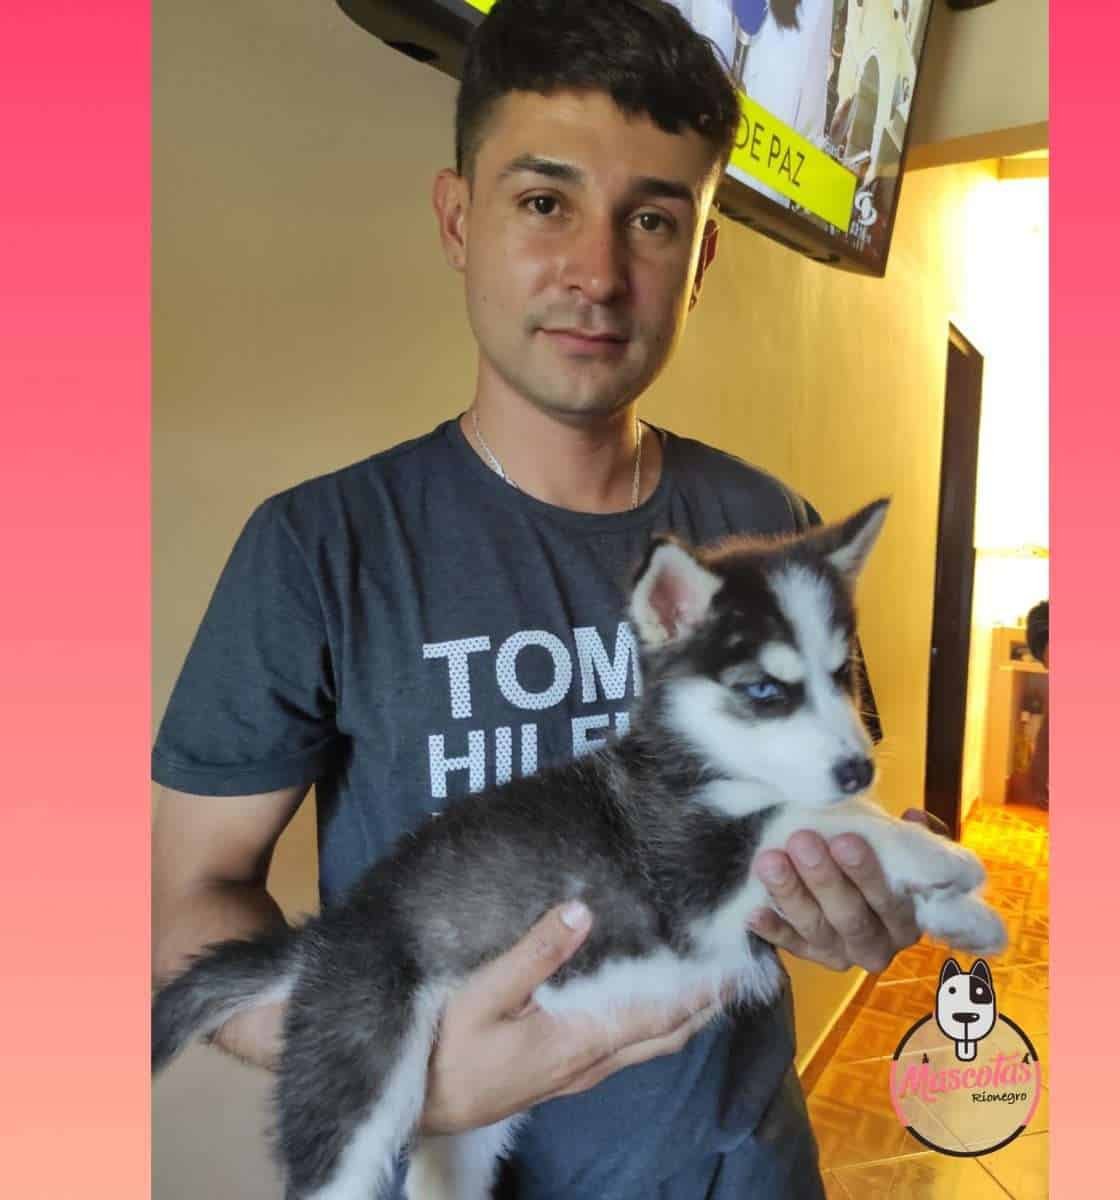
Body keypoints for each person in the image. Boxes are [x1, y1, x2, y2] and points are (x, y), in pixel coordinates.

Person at [151, 2, 931, 1196]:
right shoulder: (316, 546)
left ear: (700, 261)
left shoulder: (766, 520)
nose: (598, 274)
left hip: (744, 1168)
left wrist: (853, 899)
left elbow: (806, 827)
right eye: (543, 201)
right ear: (459, 222)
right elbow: (185, 906)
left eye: (653, 220)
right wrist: (401, 1072)